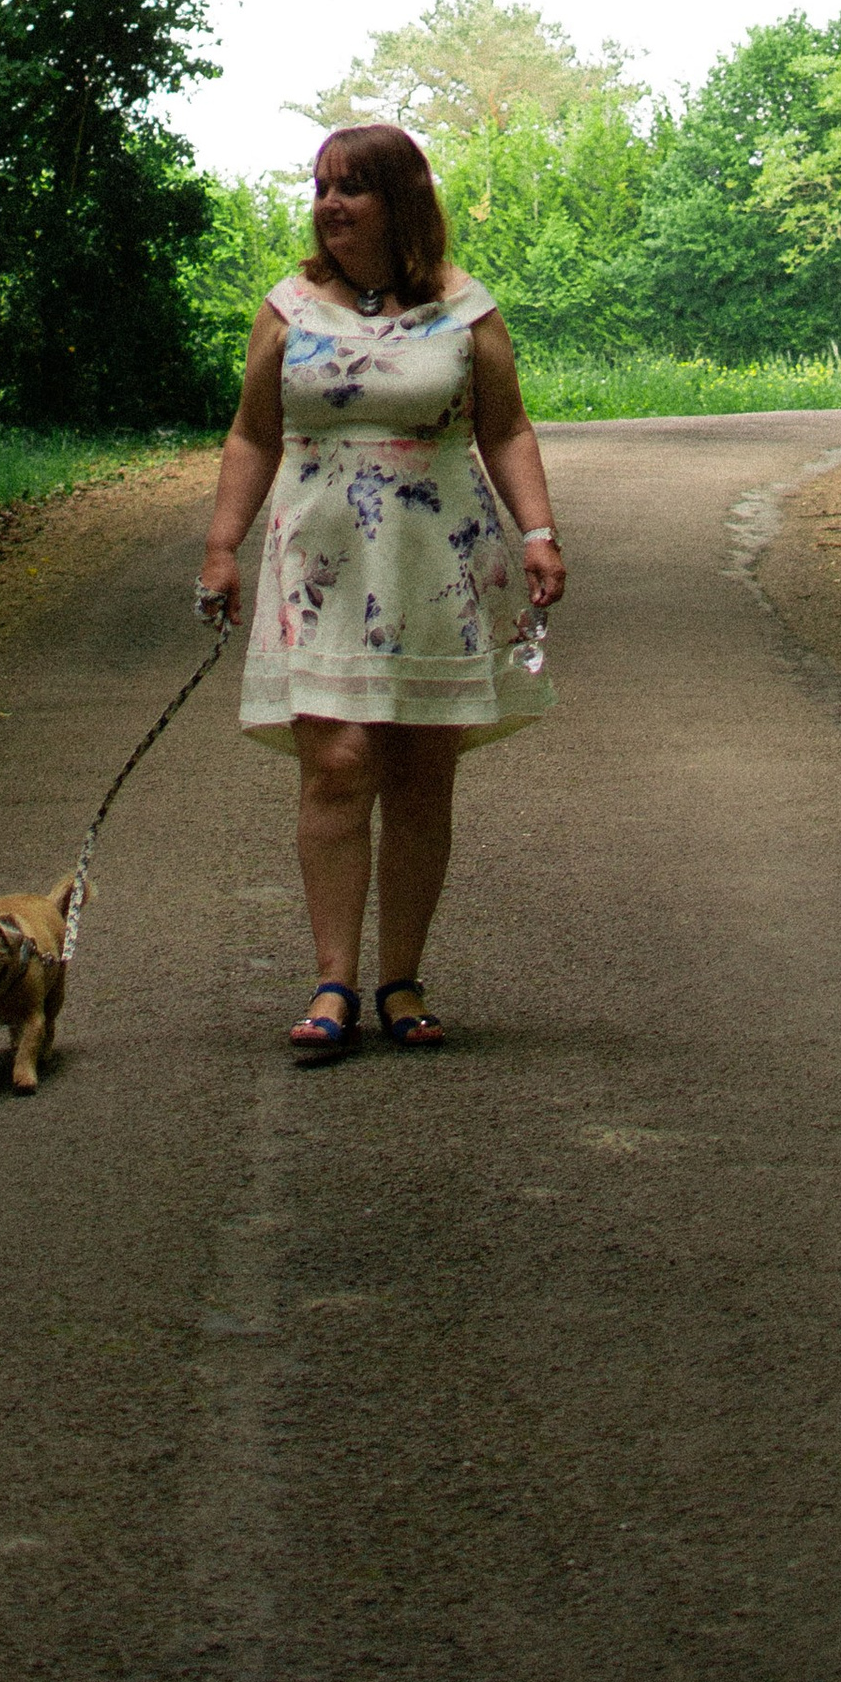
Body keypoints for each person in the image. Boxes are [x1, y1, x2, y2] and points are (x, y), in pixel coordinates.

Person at [197, 119, 565, 1062]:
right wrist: (221, 545)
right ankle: (333, 981)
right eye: (321, 186)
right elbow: (253, 434)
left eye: (350, 187)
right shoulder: (290, 307)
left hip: (435, 559)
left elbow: (507, 428)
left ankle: (401, 978)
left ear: (401, 199)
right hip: (319, 564)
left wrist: (538, 532)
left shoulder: (466, 309)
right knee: (338, 763)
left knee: (418, 774)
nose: (329, 205)